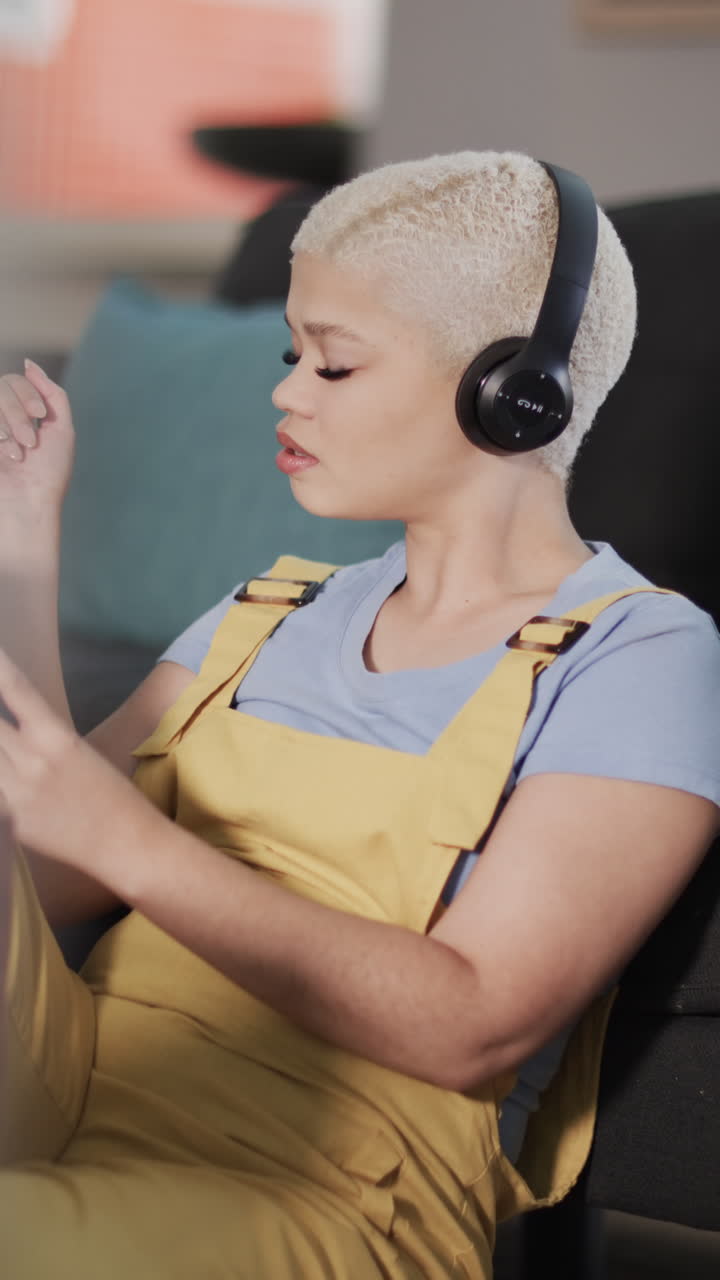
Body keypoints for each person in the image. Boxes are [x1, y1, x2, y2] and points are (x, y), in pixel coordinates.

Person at [0, 150, 719, 1279]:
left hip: (326, 1194)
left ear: (513, 392)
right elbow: (41, 876)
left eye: (333, 364)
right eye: (294, 352)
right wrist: (24, 541)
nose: (286, 390)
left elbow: (476, 1021)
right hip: (66, 1086)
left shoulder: (641, 650)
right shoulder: (267, 609)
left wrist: (129, 839)